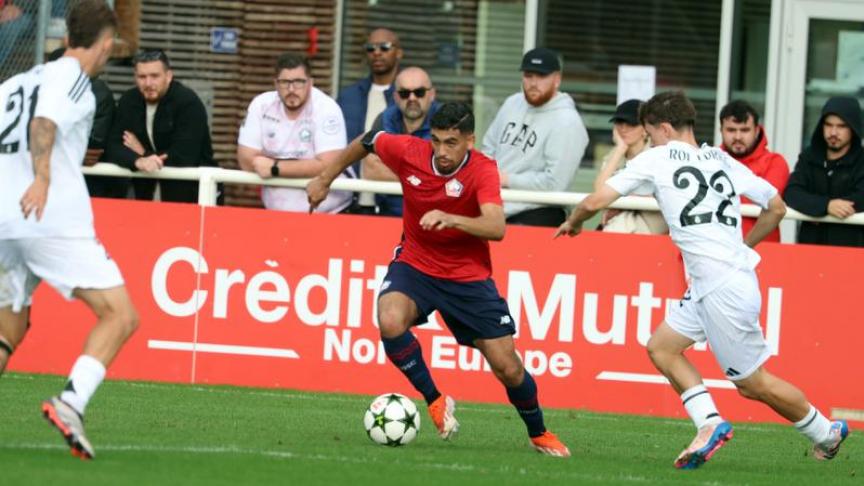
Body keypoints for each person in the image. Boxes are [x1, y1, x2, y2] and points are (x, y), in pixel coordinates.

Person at [555, 91, 848, 469]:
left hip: (721, 288)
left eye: (650, 133)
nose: (650, 141)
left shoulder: (658, 157)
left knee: (752, 383)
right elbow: (775, 207)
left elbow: (595, 201)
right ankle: (709, 422)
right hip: (720, 281)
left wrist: (574, 223)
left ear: (662, 128)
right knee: (661, 347)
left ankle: (826, 432)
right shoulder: (720, 157)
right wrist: (743, 246)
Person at [307, 102, 571, 457]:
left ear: (470, 141)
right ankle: (435, 399)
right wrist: (325, 178)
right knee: (389, 318)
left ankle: (538, 432)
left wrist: (452, 219)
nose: (442, 152)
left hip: (467, 278)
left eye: (451, 143)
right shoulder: (410, 151)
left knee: (508, 367)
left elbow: (496, 226)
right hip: (416, 265)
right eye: (437, 141)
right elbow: (369, 140)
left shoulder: (482, 170)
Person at [0, 0, 139, 460]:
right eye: (109, 46)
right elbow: (44, 124)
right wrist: (41, 177)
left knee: (9, 328)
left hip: (4, 217)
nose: (107, 54)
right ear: (101, 44)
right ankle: (71, 402)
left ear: (64, 36)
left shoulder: (19, 81)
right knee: (120, 315)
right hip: (47, 215)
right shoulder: (74, 78)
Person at [482, 47, 588, 227]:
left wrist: (506, 179)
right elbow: (488, 147)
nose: (533, 83)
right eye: (528, 75)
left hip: (536, 214)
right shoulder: (512, 103)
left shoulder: (567, 121)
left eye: (541, 76)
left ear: (557, 80)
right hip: (493, 207)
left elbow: (555, 183)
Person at [238, 52, 351, 213]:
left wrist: (275, 168)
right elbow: (247, 160)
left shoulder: (326, 107)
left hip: (329, 214)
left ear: (311, 83)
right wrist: (308, 165)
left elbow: (330, 165)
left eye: (298, 82)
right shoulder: (261, 105)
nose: (291, 89)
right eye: (285, 82)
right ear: (276, 84)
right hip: (276, 214)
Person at [104, 50, 217, 203]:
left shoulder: (187, 102)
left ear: (169, 76)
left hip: (190, 195)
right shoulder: (129, 100)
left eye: (154, 76)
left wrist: (143, 152)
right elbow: (114, 145)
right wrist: (138, 161)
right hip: (144, 193)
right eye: (142, 77)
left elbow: (185, 156)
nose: (148, 83)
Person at [337, 28, 403, 213]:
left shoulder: (410, 99)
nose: (377, 53)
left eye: (384, 47)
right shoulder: (348, 97)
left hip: (393, 204)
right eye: (370, 48)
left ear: (399, 52)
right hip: (351, 202)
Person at [784, 96, 864, 247]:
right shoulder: (810, 156)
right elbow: (792, 192)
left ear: (853, 129)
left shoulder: (861, 161)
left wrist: (814, 206)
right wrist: (826, 205)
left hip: (851, 253)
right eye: (828, 125)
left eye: (841, 126)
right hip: (810, 250)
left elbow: (860, 199)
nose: (833, 132)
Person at [364, 66, 440, 216]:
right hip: (388, 215)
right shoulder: (384, 119)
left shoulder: (446, 120)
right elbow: (371, 169)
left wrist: (393, 165)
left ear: (432, 94)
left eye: (419, 93)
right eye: (405, 93)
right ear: (396, 97)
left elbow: (447, 174)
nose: (412, 99)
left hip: (434, 218)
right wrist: (421, 174)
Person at [719, 100, 789, 242]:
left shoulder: (775, 162)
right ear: (721, 130)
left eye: (745, 130)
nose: (738, 137)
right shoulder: (709, 161)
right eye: (731, 130)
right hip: (718, 250)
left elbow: (767, 201)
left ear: (757, 130)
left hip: (762, 252)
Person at [594, 99, 667, 234]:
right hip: (620, 224)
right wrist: (620, 148)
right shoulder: (613, 157)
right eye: (619, 123)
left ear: (645, 129)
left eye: (631, 124)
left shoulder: (658, 154)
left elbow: (666, 196)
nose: (623, 128)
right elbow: (599, 192)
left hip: (650, 224)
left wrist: (620, 203)